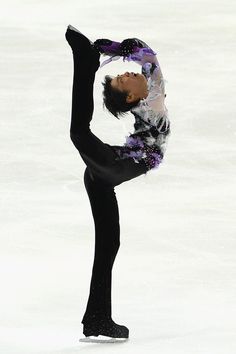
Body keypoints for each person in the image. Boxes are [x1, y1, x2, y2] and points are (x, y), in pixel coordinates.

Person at [65, 24, 171, 341]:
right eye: (125, 79)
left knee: (110, 243)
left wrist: (115, 48)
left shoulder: (148, 100)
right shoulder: (152, 96)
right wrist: (110, 49)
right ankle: (84, 63)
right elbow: (148, 55)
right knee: (79, 133)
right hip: (117, 164)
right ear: (131, 96)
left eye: (125, 74)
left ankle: (97, 318)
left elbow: (143, 54)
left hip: (109, 171)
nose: (129, 74)